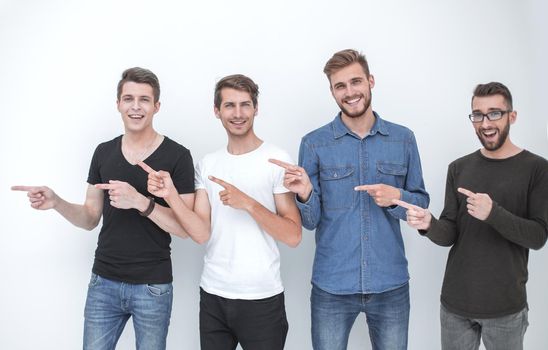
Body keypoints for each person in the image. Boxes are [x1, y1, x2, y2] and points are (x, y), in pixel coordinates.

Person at [12, 67, 195, 350]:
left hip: (153, 287)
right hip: (103, 283)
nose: (136, 106)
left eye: (144, 99)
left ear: (157, 106)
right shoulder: (103, 152)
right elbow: (89, 218)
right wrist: (57, 202)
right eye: (128, 98)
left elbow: (185, 229)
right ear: (118, 104)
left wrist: (140, 202)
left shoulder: (178, 156)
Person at [270, 49, 429, 349]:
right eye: (340, 86)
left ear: (370, 81)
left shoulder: (403, 139)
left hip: (390, 283)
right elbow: (311, 221)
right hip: (332, 285)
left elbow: (420, 205)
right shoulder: (314, 143)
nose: (350, 92)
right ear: (331, 91)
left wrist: (397, 197)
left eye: (356, 82)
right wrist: (304, 192)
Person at [140, 74, 302, 350]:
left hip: (262, 298)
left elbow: (293, 235)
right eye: (229, 105)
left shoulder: (276, 160)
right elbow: (201, 233)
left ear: (256, 108)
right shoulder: (208, 164)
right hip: (214, 296)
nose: (237, 113)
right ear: (217, 111)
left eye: (245, 105)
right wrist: (171, 196)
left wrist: (249, 204)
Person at [395, 82, 548, 350]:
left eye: (494, 113)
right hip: (456, 306)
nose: (485, 123)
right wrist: (429, 224)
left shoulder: (537, 169)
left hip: (506, 308)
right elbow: (450, 232)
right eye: (477, 114)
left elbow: (538, 237)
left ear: (512, 116)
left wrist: (493, 213)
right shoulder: (459, 168)